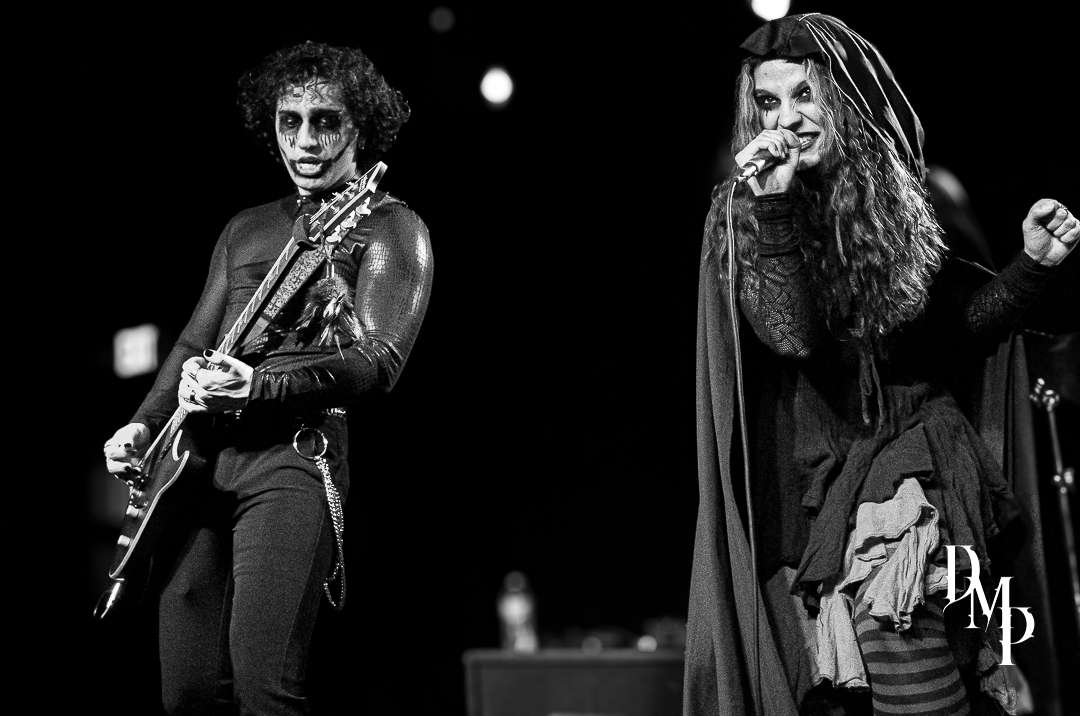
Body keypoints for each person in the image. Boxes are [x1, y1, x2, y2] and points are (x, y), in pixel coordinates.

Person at [684, 13, 1077, 715]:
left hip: (913, 458)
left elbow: (951, 339)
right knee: (848, 691)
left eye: (805, 95)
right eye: (768, 102)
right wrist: (772, 207)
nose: (787, 118)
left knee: (904, 639)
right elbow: (792, 337)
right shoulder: (743, 214)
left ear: (844, 100)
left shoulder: (896, 201)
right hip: (814, 488)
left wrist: (1030, 268)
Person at [101, 41, 433, 715]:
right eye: (290, 121)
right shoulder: (246, 228)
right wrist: (141, 424)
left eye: (326, 121)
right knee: (186, 693)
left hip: (291, 460)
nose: (305, 140)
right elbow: (194, 341)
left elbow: (378, 361)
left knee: (264, 691)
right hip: (197, 460)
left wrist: (259, 387)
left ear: (361, 127)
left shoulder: (392, 226)